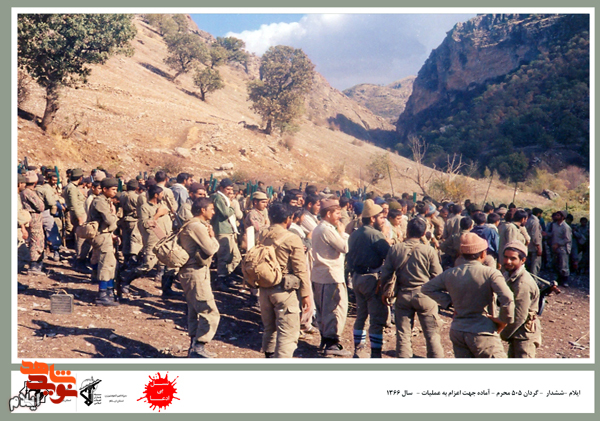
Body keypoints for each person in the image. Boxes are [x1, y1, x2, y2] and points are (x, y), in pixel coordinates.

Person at [422, 233, 515, 358]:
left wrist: (450, 301)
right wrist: (503, 320)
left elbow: (426, 288)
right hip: (482, 331)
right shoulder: (491, 274)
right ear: (483, 254)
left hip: (458, 330)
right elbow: (508, 299)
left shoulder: (450, 273)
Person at [380, 217, 444, 358]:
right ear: (424, 233)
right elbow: (438, 275)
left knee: (403, 335)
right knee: (432, 335)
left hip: (403, 295)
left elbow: (386, 274)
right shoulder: (428, 250)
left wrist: (385, 291)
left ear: (407, 231)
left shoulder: (395, 249)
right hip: (425, 296)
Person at [257, 203, 311, 358]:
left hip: (264, 289)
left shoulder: (262, 234)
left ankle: (269, 358)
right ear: (288, 219)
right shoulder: (292, 238)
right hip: (284, 291)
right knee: (288, 334)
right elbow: (300, 269)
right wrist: (306, 294)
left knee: (270, 329)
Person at [347, 199, 391, 358]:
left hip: (357, 278)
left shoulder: (354, 234)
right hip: (371, 279)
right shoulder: (375, 235)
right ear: (372, 218)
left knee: (361, 316)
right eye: (381, 217)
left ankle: (358, 350)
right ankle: (375, 354)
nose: (384, 220)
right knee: (376, 319)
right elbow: (388, 256)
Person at [178, 197, 221, 358]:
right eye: (211, 209)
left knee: (194, 310)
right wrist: (212, 237)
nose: (213, 212)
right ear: (203, 210)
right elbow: (211, 249)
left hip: (194, 272)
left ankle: (194, 347)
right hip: (195, 272)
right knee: (209, 310)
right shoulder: (196, 226)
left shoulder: (192, 224)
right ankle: (199, 347)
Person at [311, 198, 351, 357]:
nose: (340, 216)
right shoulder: (327, 229)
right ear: (328, 214)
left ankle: (326, 340)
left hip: (322, 275)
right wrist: (342, 233)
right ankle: (331, 344)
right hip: (330, 276)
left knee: (324, 310)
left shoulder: (320, 228)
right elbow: (345, 247)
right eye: (337, 213)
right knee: (335, 310)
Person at [500, 241, 542, 358]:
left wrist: (503, 334)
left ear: (523, 260)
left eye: (513, 258)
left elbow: (520, 315)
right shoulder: (509, 274)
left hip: (524, 336)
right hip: (517, 334)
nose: (508, 261)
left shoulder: (522, 283)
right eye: (506, 257)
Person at [88, 178, 120, 306]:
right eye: (113, 189)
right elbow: (110, 220)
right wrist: (114, 214)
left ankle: (109, 292)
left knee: (111, 263)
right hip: (101, 236)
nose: (115, 192)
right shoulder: (100, 202)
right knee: (105, 264)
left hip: (106, 234)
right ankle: (102, 295)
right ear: (105, 189)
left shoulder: (105, 201)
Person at [211, 178, 242, 290]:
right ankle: (220, 279)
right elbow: (225, 213)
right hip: (222, 230)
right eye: (228, 189)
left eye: (231, 189)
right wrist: (232, 206)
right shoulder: (218, 198)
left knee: (236, 257)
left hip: (229, 230)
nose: (230, 192)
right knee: (223, 257)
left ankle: (226, 276)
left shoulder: (224, 198)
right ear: (221, 188)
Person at [64, 168, 91, 272]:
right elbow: (74, 204)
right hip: (79, 215)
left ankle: (81, 260)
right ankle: (80, 261)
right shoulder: (72, 188)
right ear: (80, 178)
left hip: (79, 214)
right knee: (81, 238)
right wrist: (80, 218)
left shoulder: (72, 187)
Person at [21, 171, 46, 275]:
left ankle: (37, 264)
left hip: (30, 217)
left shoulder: (23, 192)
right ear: (35, 182)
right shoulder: (29, 192)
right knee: (36, 240)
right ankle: (34, 266)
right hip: (34, 217)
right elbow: (41, 206)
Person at [525, 208, 544, 277]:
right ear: (538, 214)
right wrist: (538, 247)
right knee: (535, 265)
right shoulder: (535, 222)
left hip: (528, 246)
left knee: (529, 265)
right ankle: (534, 280)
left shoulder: (528, 220)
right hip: (534, 247)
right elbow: (535, 236)